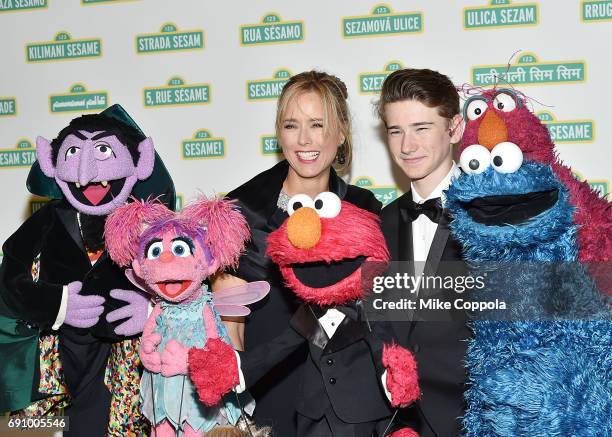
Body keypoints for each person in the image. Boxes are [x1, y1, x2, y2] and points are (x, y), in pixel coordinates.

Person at [213, 71, 381, 436]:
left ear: (340, 134)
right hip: (269, 402)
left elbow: (378, 322)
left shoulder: (365, 210)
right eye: (292, 125)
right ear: (279, 133)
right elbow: (229, 333)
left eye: (317, 124)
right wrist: (238, 414)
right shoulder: (241, 212)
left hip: (348, 412)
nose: (304, 139)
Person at [377, 68, 472, 437]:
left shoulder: (494, 216)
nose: (407, 146)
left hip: (475, 420)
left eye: (422, 128)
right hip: (395, 422)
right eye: (396, 130)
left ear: (455, 128)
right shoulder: (380, 223)